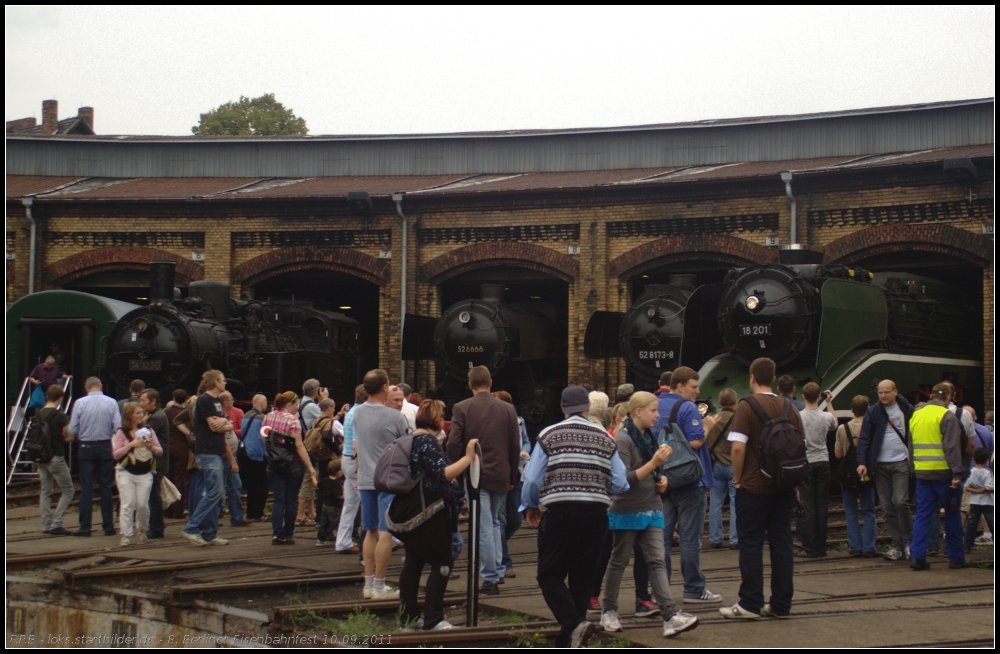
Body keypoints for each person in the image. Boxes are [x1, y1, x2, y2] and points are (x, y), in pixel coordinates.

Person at [600, 391, 699, 637]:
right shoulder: (623, 439)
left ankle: (669, 615)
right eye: (653, 410)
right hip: (627, 509)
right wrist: (654, 465)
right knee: (619, 561)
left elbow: (652, 471)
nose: (658, 415)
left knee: (656, 560)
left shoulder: (647, 436)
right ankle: (609, 610)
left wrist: (661, 478)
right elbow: (621, 481)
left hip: (652, 506)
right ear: (638, 412)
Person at [720, 357, 804, 620]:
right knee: (782, 542)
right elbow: (799, 445)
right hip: (784, 485)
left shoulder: (746, 406)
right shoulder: (789, 407)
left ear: (752, 378)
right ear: (775, 378)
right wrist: (796, 484)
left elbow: (737, 446)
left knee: (751, 542)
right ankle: (781, 605)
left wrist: (737, 479)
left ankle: (750, 602)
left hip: (754, 486)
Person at [390, 400, 477, 632]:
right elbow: (444, 473)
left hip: (406, 509)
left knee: (413, 563)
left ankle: (407, 619)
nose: (443, 423)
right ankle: (434, 619)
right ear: (435, 419)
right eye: (441, 418)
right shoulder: (427, 442)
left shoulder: (408, 439)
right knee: (442, 562)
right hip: (428, 510)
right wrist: (468, 458)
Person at [446, 366, 520, 596]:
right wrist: (512, 476)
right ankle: (497, 570)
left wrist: (455, 468)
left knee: (484, 525)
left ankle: (489, 578)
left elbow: (454, 443)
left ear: (470, 385)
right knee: (497, 522)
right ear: (490, 383)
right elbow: (514, 445)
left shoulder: (462, 408)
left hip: (475, 474)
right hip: (501, 473)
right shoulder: (508, 409)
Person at [654, 366, 722, 605]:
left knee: (661, 540)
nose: (697, 391)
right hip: (688, 481)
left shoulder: (654, 404)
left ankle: (659, 592)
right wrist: (707, 428)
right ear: (680, 386)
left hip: (661, 480)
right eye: (694, 387)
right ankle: (693, 589)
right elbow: (694, 442)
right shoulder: (687, 407)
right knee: (690, 539)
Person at [355, 369, 409, 599]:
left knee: (370, 530)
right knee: (386, 532)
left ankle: (368, 584)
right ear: (384, 387)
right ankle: (379, 585)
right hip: (388, 480)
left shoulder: (357, 413)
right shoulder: (395, 417)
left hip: (365, 478)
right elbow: (407, 444)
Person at [909, 384, 967, 570]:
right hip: (944, 475)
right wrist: (958, 472)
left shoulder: (917, 415)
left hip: (922, 474)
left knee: (922, 515)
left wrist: (914, 469)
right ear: (949, 397)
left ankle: (917, 557)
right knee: (952, 515)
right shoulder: (947, 416)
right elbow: (952, 448)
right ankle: (956, 558)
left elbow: (911, 446)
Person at [856, 379, 915, 561]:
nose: (882, 396)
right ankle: (897, 544)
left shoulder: (906, 409)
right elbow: (865, 438)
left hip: (902, 462)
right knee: (887, 506)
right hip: (880, 465)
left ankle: (910, 542)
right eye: (880, 393)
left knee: (900, 501)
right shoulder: (873, 412)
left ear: (895, 392)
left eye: (886, 392)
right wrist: (862, 462)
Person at [181, 370, 237, 547]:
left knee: (217, 493)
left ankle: (210, 533)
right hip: (208, 452)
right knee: (214, 492)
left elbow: (227, 425)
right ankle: (191, 528)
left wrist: (226, 424)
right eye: (223, 380)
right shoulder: (205, 400)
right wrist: (225, 425)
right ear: (215, 383)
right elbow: (215, 427)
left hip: (217, 451)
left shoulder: (216, 402)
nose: (225, 383)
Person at [69, 376, 121, 537]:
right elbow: (117, 426)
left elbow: (73, 428)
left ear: (87, 388)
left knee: (86, 487)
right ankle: (108, 526)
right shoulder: (111, 402)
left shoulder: (80, 403)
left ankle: (85, 527)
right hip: (105, 445)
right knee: (105, 486)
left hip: (86, 446)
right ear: (100, 386)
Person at [264, 391, 318, 545]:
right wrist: (309, 466)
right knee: (291, 499)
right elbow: (299, 446)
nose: (296, 408)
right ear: (289, 404)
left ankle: (276, 534)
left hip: (273, 463)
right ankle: (288, 534)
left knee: (279, 499)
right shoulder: (293, 420)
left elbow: (264, 438)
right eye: (295, 405)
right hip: (293, 463)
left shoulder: (268, 416)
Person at [492, 391, 531, 580]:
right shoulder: (492, 423)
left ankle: (492, 545)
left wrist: (524, 451)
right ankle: (505, 563)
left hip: (516, 475)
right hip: (501, 475)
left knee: (515, 519)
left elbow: (526, 441)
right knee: (498, 520)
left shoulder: (519, 421)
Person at [112, 402, 164, 546]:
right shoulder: (121, 432)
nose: (141, 415)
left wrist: (151, 446)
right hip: (125, 472)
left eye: (141, 412)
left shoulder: (149, 430)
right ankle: (125, 534)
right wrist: (130, 445)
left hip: (145, 472)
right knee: (128, 503)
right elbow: (116, 454)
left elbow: (160, 451)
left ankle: (142, 530)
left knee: (142, 504)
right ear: (130, 416)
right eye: (138, 413)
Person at [835, 395, 878, 557]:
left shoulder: (842, 428)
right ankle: (869, 547)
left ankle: (855, 546)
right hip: (866, 472)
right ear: (868, 407)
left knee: (851, 511)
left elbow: (838, 455)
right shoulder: (871, 428)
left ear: (852, 410)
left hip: (847, 473)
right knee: (869, 511)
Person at [798, 382, 836, 558]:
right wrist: (829, 402)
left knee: (809, 506)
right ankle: (822, 547)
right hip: (823, 461)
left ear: (804, 396)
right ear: (818, 396)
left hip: (807, 462)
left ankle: (810, 547)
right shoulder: (826, 417)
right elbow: (835, 423)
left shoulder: (799, 417)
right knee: (822, 505)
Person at [36, 384, 74, 535]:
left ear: (47, 396)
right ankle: (56, 524)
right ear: (60, 399)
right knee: (68, 490)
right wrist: (65, 435)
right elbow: (69, 437)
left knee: (45, 490)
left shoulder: (39, 413)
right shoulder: (60, 415)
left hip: (41, 457)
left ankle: (46, 525)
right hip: (55, 457)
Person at [335, 385, 368, 554]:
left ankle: (342, 541)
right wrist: (361, 467)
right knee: (369, 501)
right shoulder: (359, 414)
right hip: (355, 462)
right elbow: (356, 444)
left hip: (347, 460)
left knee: (350, 504)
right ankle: (388, 540)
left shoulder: (351, 412)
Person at [707, 388, 739, 550]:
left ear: (720, 402)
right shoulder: (739, 419)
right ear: (735, 402)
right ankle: (735, 540)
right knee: (735, 503)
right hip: (735, 465)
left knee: (715, 503)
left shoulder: (714, 419)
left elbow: (708, 442)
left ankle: (716, 539)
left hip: (717, 465)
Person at [139, 389, 170, 538]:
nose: (141, 403)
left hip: (157, 462)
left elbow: (143, 436)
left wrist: (141, 423)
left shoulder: (156, 418)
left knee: (154, 495)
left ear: (153, 401)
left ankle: (157, 528)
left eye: (143, 400)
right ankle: (157, 524)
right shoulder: (155, 415)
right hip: (157, 461)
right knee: (153, 494)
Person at [220, 391, 249, 527]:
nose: (233, 401)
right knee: (222, 488)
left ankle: (237, 517)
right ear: (225, 403)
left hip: (230, 456)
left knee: (234, 486)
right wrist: (232, 461)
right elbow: (224, 442)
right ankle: (234, 517)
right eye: (231, 399)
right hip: (227, 458)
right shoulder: (220, 418)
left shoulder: (225, 416)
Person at [239, 394, 270, 521]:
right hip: (258, 455)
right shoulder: (263, 419)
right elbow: (265, 437)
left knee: (251, 485)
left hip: (246, 453)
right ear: (262, 403)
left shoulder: (245, 416)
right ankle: (258, 513)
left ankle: (250, 512)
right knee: (262, 485)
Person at [164, 389, 191, 519]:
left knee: (168, 478)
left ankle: (167, 511)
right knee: (179, 478)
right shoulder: (184, 413)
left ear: (173, 398)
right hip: (180, 447)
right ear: (186, 399)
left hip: (167, 447)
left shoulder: (166, 412)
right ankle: (178, 511)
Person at [963, 447, 994, 552]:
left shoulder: (972, 472)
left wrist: (976, 491)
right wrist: (983, 490)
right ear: (987, 460)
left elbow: (967, 487)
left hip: (974, 501)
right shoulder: (986, 473)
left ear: (973, 459)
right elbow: (989, 487)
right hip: (988, 502)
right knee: (992, 522)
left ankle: (968, 544)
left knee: (972, 523)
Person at [316, 449, 345, 547]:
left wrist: (312, 476)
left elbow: (317, 485)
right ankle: (341, 539)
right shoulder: (337, 483)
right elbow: (338, 495)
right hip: (334, 507)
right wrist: (347, 496)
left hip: (325, 505)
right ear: (338, 472)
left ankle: (320, 539)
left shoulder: (324, 480)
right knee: (338, 523)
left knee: (323, 523)